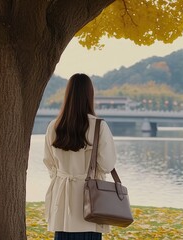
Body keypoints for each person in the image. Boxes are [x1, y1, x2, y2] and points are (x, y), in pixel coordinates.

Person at [43, 73, 117, 240]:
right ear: (90, 95)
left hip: (62, 197)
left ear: (67, 95)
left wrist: (63, 177)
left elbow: (49, 163)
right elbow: (107, 165)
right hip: (91, 200)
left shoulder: (54, 126)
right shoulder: (99, 126)